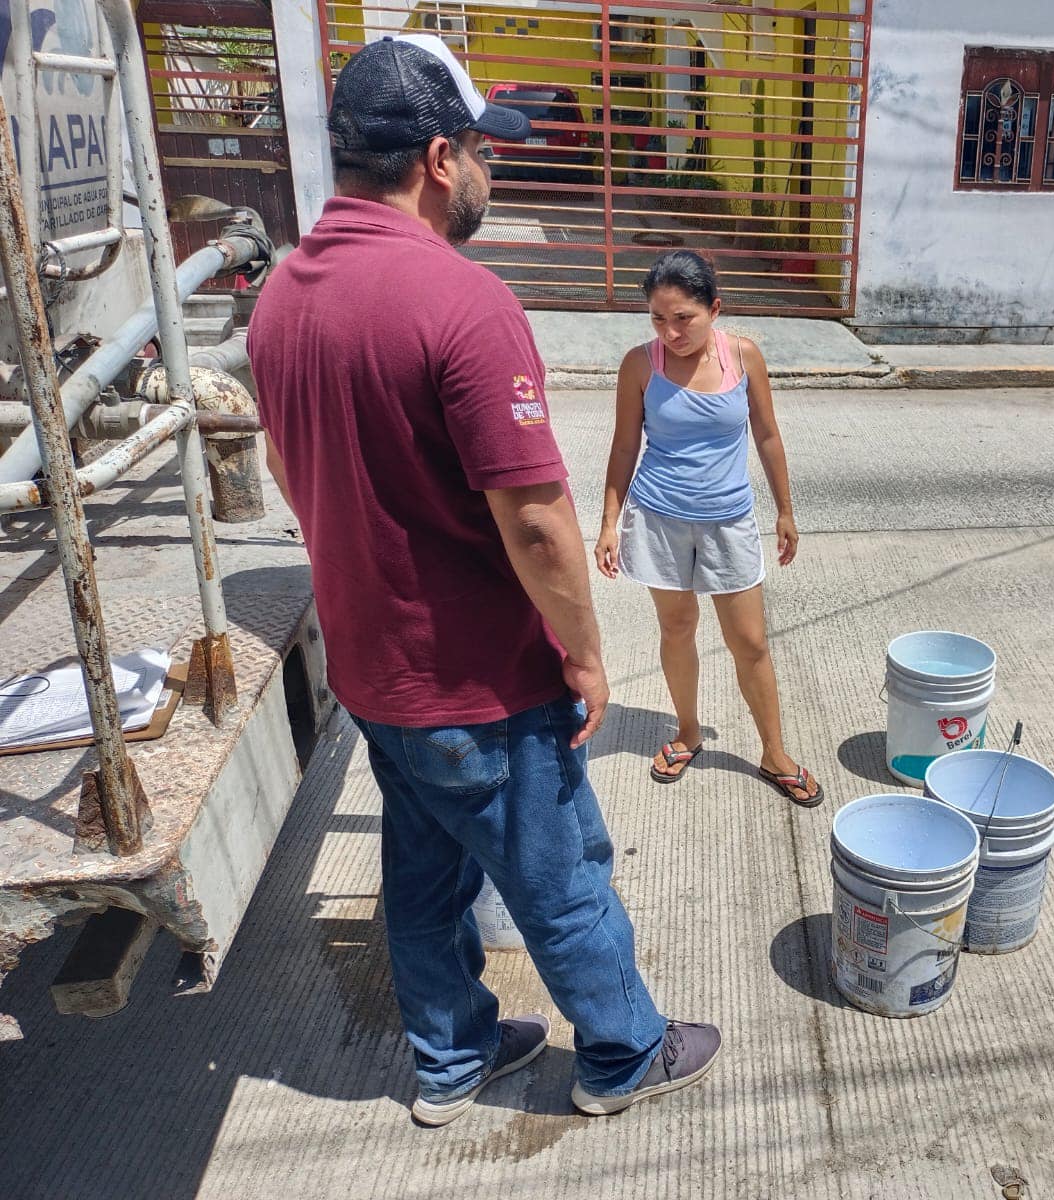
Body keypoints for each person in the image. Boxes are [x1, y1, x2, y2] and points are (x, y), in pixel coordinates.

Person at [247, 34, 719, 1124]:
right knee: (560, 879)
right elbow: (539, 523)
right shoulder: (462, 301)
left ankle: (452, 1060)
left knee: (422, 878)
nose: (490, 172)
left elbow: (284, 468)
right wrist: (585, 656)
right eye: (483, 151)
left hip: (375, 677)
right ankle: (622, 1054)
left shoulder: (280, 296)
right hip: (479, 685)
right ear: (438, 159)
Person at [594, 250, 823, 807]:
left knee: (750, 642)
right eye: (658, 319)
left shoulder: (743, 356)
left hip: (729, 521)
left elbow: (767, 435)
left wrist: (785, 510)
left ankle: (774, 753)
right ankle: (688, 731)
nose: (670, 332)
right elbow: (624, 446)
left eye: (683, 318)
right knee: (676, 629)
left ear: (714, 309)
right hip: (658, 518)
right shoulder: (639, 365)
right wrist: (609, 522)